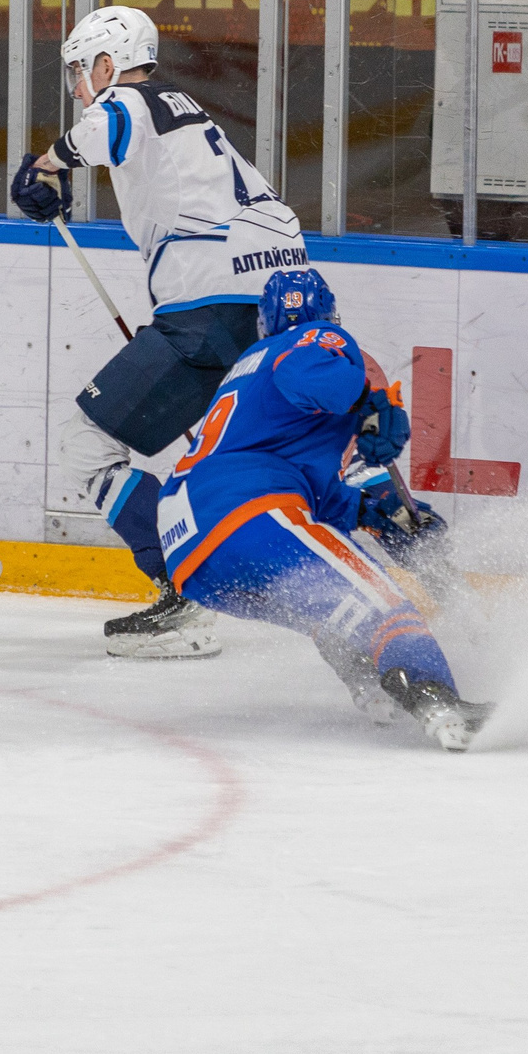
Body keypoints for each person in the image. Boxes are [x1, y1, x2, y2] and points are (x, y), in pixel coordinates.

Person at [10, 4, 310, 659]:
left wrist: (46, 166)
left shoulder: (133, 103)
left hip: (206, 316)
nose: (79, 89)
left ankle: (184, 595)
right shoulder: (189, 114)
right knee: (245, 459)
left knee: (86, 443)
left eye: (80, 73)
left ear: (107, 64)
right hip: (275, 311)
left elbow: (107, 125)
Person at [154, 268, 484, 750]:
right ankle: (439, 700)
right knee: (382, 603)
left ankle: (369, 681)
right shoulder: (315, 338)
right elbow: (310, 373)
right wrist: (370, 402)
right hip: (248, 516)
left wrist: (373, 513)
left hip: (192, 555)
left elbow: (311, 491)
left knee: (330, 607)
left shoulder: (247, 367)